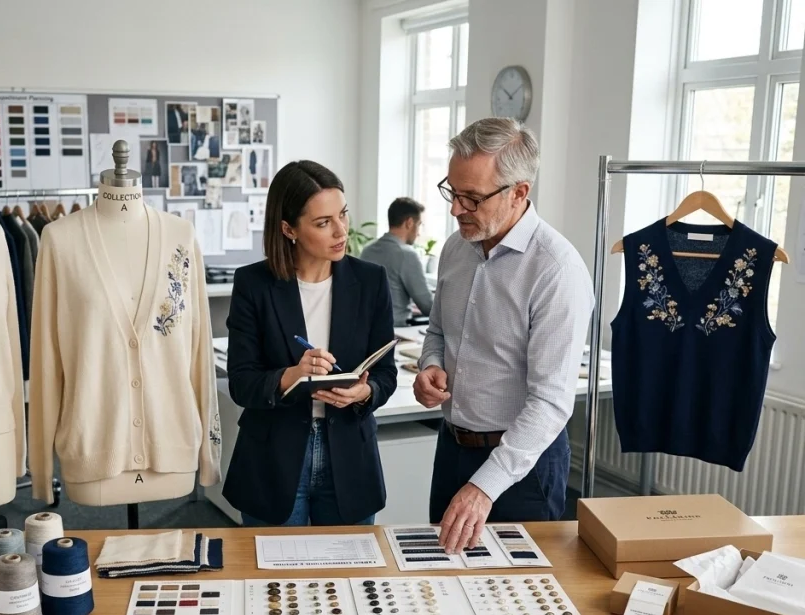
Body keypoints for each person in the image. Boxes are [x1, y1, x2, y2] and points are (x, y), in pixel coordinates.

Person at [414, 118, 594, 554]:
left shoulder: (556, 270)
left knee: (515, 590)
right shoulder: (456, 247)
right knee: (440, 574)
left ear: (519, 192)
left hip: (522, 467)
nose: (456, 209)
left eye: (472, 198)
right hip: (452, 448)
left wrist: (484, 487)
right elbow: (436, 330)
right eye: (451, 191)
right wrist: (430, 365)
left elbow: (550, 402)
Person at [224, 160, 397, 526]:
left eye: (343, 215)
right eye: (323, 223)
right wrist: (292, 375)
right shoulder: (254, 285)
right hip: (273, 459)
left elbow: (386, 373)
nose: (341, 231)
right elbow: (241, 382)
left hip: (349, 459)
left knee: (349, 564)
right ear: (289, 229)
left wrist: (364, 393)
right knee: (274, 566)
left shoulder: (371, 281)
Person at [360, 197, 433, 326]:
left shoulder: (367, 251)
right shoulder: (406, 254)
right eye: (419, 225)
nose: (418, 233)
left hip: (367, 328)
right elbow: (428, 307)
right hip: (397, 331)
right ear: (409, 223)